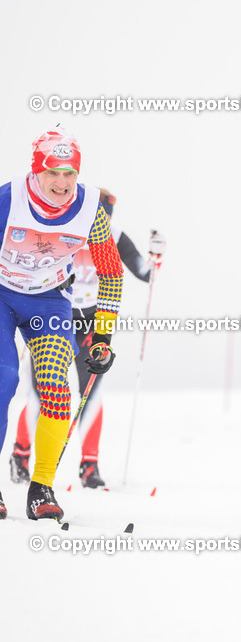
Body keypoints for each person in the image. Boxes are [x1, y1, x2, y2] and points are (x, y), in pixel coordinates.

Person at [0, 128, 123, 521]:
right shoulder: (8, 200)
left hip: (50, 299)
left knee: (56, 389)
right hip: (1, 295)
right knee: (4, 380)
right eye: (53, 172)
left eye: (70, 173)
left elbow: (112, 272)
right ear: (36, 171)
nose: (62, 182)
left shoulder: (90, 210)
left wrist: (101, 334)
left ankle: (41, 488)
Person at [8, 189, 164, 489]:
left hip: (92, 323)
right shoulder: (66, 230)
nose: (97, 228)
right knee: (44, 391)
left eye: (103, 221)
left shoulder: (113, 236)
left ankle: (89, 466)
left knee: (91, 391)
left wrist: (157, 255)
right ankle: (21, 455)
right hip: (55, 317)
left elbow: (145, 274)